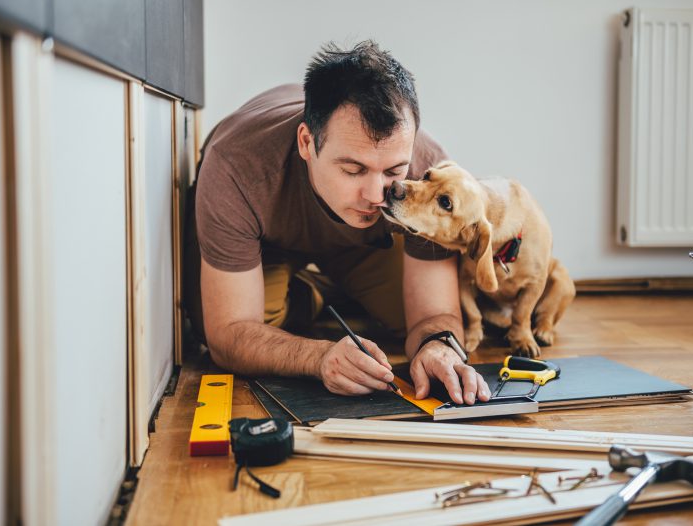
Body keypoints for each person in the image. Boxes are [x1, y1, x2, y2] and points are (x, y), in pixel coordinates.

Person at [184, 40, 490, 405]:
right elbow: (228, 334)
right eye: (353, 169)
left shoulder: (429, 175)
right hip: (267, 242)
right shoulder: (235, 166)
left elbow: (435, 313)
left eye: (394, 171)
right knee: (233, 326)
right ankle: (314, 292)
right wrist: (319, 357)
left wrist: (438, 346)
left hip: (362, 245)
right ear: (306, 142)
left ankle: (333, 284)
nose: (378, 196)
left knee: (408, 320)